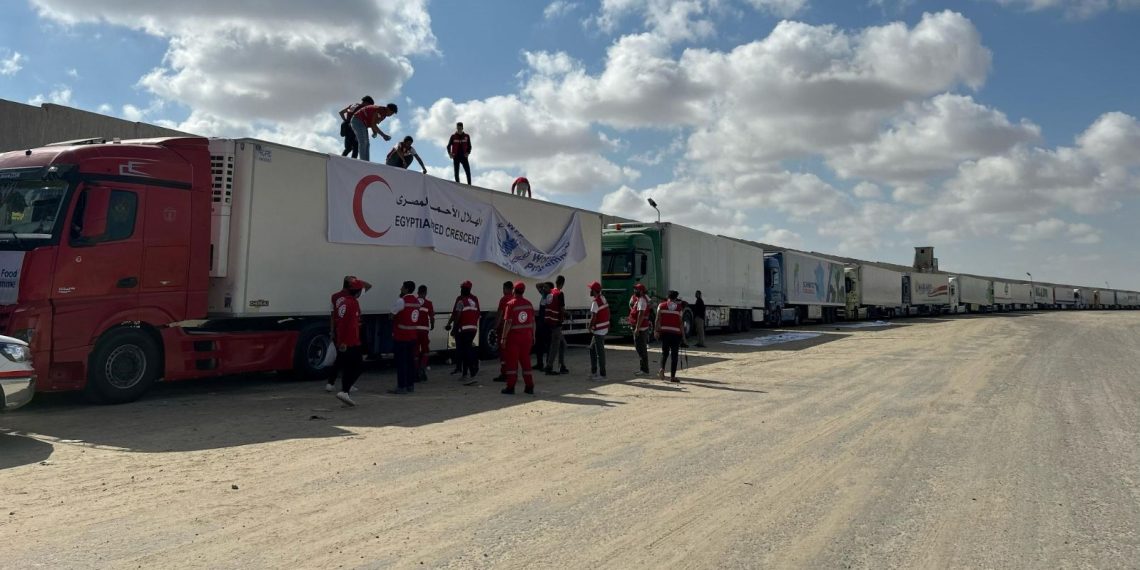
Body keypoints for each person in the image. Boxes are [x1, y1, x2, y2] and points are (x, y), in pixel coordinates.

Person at [328, 275, 372, 393]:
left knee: (341, 359)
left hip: (340, 331)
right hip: (350, 333)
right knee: (353, 362)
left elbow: (332, 316)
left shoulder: (335, 297)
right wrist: (357, 281)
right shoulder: (352, 301)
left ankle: (331, 382)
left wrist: (332, 331)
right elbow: (368, 286)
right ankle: (346, 387)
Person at [500, 282, 536, 395]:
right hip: (527, 338)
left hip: (514, 339)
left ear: (514, 290)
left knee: (512, 363)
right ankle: (529, 386)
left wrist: (503, 337)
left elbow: (508, 322)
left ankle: (510, 387)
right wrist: (533, 335)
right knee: (526, 362)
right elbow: (533, 322)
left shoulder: (511, 304)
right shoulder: (529, 304)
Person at [444, 280, 481, 384]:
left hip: (463, 330)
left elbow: (457, 314)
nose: (461, 290)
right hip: (472, 329)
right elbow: (477, 313)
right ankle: (465, 373)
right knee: (466, 351)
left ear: (464, 289)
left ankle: (472, 372)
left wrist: (453, 328)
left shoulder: (461, 301)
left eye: (462, 288)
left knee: (464, 351)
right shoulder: (474, 299)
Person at [389, 280, 420, 394]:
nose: (400, 289)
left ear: (406, 289)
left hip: (401, 337)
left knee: (401, 363)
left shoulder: (401, 301)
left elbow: (392, 315)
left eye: (402, 287)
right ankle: (410, 385)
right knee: (410, 362)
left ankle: (401, 386)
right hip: (412, 336)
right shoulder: (416, 301)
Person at [655, 291, 684, 383]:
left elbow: (657, 319)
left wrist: (656, 331)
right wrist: (683, 337)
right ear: (676, 298)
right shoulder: (679, 308)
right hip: (676, 334)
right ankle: (672, 377)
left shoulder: (661, 306)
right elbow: (681, 323)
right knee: (674, 355)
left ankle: (662, 368)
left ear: (667, 297)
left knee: (665, 353)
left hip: (665, 333)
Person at [544, 276, 569, 375]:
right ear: (562, 283)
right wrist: (567, 314)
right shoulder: (560, 294)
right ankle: (549, 367)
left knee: (562, 344)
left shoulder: (550, 293)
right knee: (555, 345)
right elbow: (562, 309)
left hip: (550, 322)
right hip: (556, 323)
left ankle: (561, 365)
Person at [491, 280, 513, 382]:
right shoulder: (514, 299)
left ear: (506, 289)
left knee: (503, 353)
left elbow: (500, 314)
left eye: (503, 289)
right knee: (511, 352)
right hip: (512, 330)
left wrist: (495, 327)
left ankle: (504, 373)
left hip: (503, 329)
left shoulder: (504, 299)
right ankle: (512, 373)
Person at [587, 281, 609, 381]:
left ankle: (603, 375)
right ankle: (594, 372)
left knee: (600, 353)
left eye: (591, 289)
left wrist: (589, 327)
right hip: (603, 328)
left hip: (598, 330)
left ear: (594, 291)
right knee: (592, 348)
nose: (590, 291)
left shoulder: (595, 302)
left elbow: (593, 317)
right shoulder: (602, 298)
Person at [629, 283, 651, 375]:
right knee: (641, 348)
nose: (635, 291)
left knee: (640, 348)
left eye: (636, 290)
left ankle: (644, 370)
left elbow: (641, 315)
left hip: (641, 328)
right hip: (641, 327)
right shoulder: (640, 299)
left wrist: (637, 328)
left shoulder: (642, 300)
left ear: (641, 291)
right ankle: (644, 369)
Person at [415, 284, 435, 383]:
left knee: (415, 351)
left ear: (418, 292)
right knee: (426, 350)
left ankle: (415, 371)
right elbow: (431, 317)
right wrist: (432, 324)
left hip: (414, 330)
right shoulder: (428, 303)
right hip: (424, 331)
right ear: (426, 293)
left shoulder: (413, 302)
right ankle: (422, 368)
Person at [534, 282, 550, 371]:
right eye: (544, 288)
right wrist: (544, 284)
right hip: (540, 323)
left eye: (546, 287)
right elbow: (537, 285)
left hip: (546, 324)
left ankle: (547, 364)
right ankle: (539, 363)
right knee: (538, 344)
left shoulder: (550, 298)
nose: (544, 289)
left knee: (547, 345)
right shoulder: (543, 295)